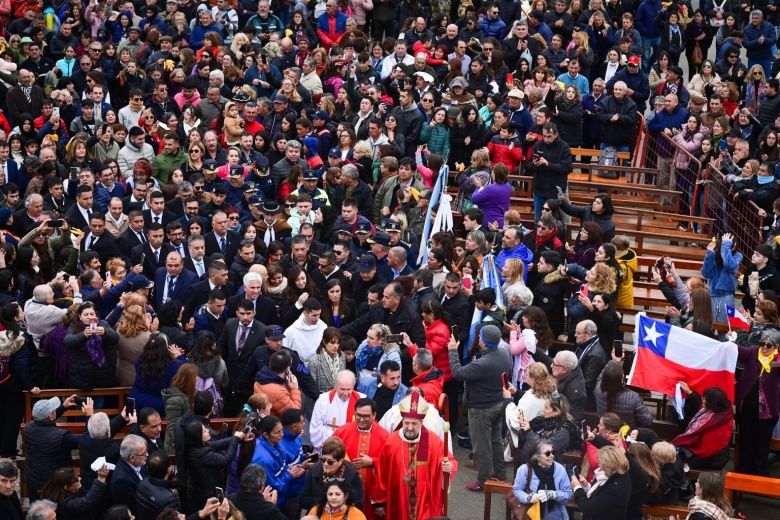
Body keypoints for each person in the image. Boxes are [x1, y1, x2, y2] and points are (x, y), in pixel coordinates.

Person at [372, 392, 456, 520]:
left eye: (414, 424)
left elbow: (449, 460)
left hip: (425, 502)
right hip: (398, 500)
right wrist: (379, 501)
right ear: (402, 421)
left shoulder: (433, 441)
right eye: (406, 423)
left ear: (421, 423)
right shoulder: (391, 441)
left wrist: (448, 466)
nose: (409, 427)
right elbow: (381, 471)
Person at [448, 324, 512, 491]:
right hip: (497, 403)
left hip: (481, 409)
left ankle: (483, 481)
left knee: (481, 447)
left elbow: (457, 373)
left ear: (483, 341)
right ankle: (500, 475)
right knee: (496, 441)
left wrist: (453, 350)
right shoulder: (504, 353)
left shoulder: (483, 363)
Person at [333, 398, 390, 520]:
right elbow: (328, 453)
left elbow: (391, 465)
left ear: (374, 415)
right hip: (344, 491)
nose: (362, 420)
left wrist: (373, 462)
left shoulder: (385, 437)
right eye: (359, 415)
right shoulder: (342, 432)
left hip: (372, 495)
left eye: (366, 416)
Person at [734, 329, 780, 476]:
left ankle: (759, 474)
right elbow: (739, 351)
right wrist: (732, 341)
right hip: (747, 408)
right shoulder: (754, 352)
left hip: (768, 412)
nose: (765, 347)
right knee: (746, 442)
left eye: (769, 345)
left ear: (776, 347)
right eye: (763, 343)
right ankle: (744, 472)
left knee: (762, 445)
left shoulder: (777, 361)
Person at [181, 420, 247, 513]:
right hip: (203, 498)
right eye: (204, 431)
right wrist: (236, 439)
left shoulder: (195, 446)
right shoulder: (200, 454)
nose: (208, 430)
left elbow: (218, 444)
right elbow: (226, 459)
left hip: (200, 493)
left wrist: (240, 437)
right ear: (198, 436)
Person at [511, 441, 573, 520]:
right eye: (547, 453)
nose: (552, 456)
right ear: (537, 456)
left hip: (556, 516)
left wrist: (553, 494)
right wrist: (528, 498)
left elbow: (568, 494)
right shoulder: (524, 469)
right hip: (530, 515)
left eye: (553, 452)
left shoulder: (560, 469)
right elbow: (517, 490)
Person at [301, 436, 364, 512]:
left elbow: (358, 503)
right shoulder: (314, 470)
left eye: (330, 462)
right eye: (323, 459)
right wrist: (325, 503)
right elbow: (302, 500)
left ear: (340, 461)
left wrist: (337, 505)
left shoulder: (351, 474)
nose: (325, 464)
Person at [569, 445, 632, 519]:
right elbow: (600, 498)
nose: (599, 463)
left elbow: (588, 510)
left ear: (609, 464)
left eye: (601, 461)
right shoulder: (622, 475)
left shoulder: (614, 487)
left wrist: (577, 488)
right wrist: (586, 486)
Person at [310, 370, 365, 448]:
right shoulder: (323, 401)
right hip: (329, 449)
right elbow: (315, 429)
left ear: (353, 386)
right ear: (335, 385)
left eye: (349, 389)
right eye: (342, 389)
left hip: (352, 448)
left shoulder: (362, 400)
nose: (345, 393)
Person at [594, 361, 653, 428]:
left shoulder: (598, 389)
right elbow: (647, 420)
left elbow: (601, 377)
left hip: (605, 431)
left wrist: (613, 361)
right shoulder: (633, 397)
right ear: (622, 380)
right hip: (626, 435)